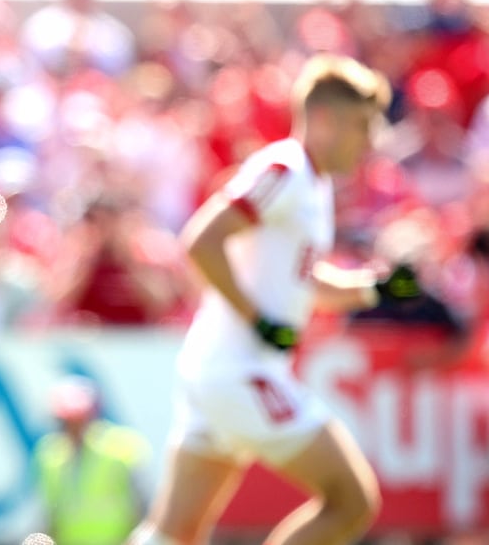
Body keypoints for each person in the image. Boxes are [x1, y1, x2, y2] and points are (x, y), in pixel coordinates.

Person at [127, 54, 393, 545]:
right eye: (361, 124)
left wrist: (376, 287)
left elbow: (305, 283)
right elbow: (200, 240)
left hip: (218, 370)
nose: (370, 139)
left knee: (173, 533)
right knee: (352, 501)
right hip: (243, 371)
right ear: (326, 119)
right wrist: (259, 321)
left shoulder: (313, 183)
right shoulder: (285, 168)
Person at [32, 375, 151, 545]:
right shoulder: (49, 455)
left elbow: (143, 506)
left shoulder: (122, 448)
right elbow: (48, 514)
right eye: (66, 422)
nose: (72, 428)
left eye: (78, 420)